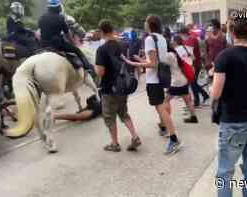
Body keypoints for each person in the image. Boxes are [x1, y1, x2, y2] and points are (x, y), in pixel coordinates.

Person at [211, 18, 247, 197]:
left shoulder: (225, 56)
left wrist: (212, 80)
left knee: (225, 171)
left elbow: (216, 93)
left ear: (231, 31)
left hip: (233, 122)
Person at [122, 15, 182, 155]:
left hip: (154, 79)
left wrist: (133, 63)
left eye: (145, 21)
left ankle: (173, 138)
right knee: (160, 107)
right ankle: (165, 129)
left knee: (160, 108)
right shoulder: (160, 38)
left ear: (149, 24)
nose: (144, 23)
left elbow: (153, 64)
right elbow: (157, 59)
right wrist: (142, 59)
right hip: (160, 78)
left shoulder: (149, 39)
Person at [95, 20, 141, 152]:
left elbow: (100, 72)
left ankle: (114, 144)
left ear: (102, 31)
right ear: (112, 29)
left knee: (109, 117)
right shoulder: (121, 45)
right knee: (123, 113)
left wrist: (95, 67)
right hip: (122, 84)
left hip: (109, 88)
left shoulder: (101, 50)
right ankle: (135, 136)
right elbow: (124, 62)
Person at [38, 0, 93, 72]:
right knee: (77, 50)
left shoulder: (42, 17)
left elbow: (40, 32)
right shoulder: (61, 18)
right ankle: (87, 67)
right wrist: (74, 44)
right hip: (57, 45)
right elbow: (67, 35)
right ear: (58, 7)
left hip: (43, 45)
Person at [167, 35, 198, 123]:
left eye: (173, 40)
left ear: (176, 42)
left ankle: (164, 121)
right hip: (189, 73)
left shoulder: (175, 52)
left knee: (166, 100)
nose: (171, 42)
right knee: (187, 96)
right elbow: (193, 59)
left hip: (180, 76)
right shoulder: (187, 48)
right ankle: (193, 116)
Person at [179, 26, 209, 107]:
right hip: (188, 65)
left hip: (195, 65)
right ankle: (203, 96)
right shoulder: (184, 41)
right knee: (193, 83)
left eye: (181, 34)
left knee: (193, 83)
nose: (181, 36)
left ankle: (197, 101)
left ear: (184, 33)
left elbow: (190, 53)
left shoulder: (192, 39)